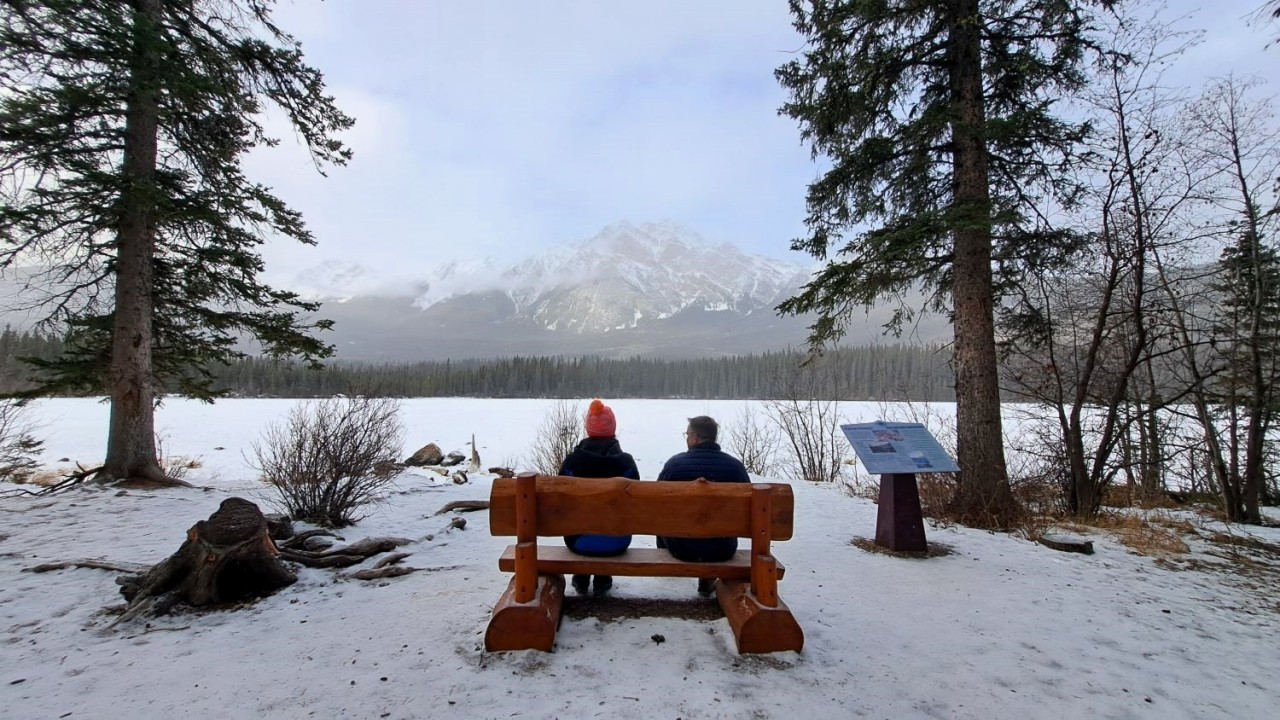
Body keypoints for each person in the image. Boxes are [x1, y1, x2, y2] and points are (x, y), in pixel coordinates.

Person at [656, 415, 750, 596]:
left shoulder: (674, 465)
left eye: (687, 433)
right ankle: (707, 579)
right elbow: (748, 509)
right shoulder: (735, 467)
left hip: (681, 548)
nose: (686, 437)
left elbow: (657, 505)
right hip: (723, 548)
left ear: (695, 437)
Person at [559, 399, 639, 597]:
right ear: (613, 430)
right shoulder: (626, 463)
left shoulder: (573, 462)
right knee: (609, 521)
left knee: (581, 521)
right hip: (617, 541)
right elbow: (635, 503)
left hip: (578, 542)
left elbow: (559, 499)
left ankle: (581, 576)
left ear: (588, 429)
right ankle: (603, 578)